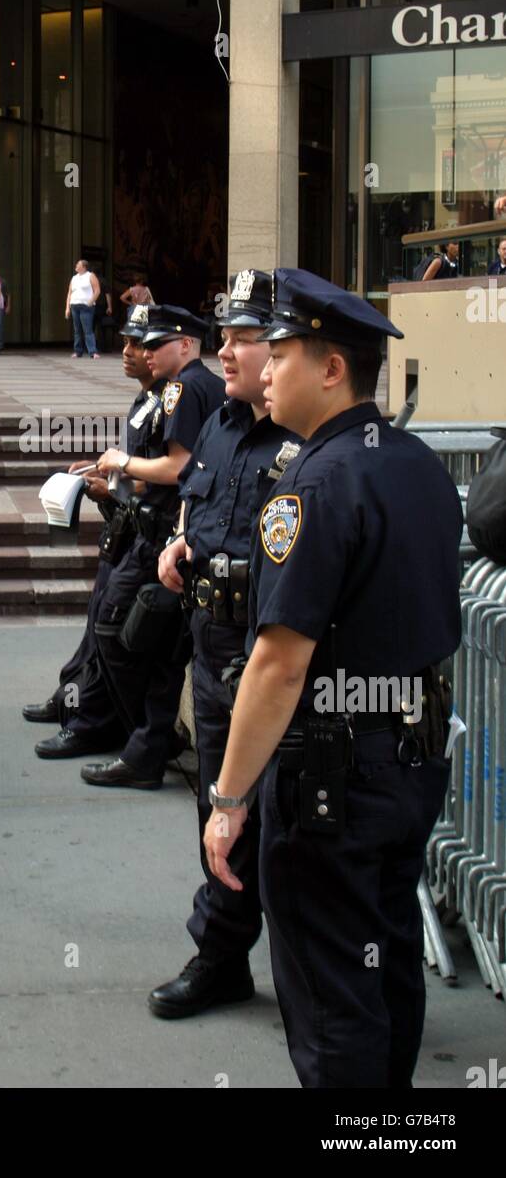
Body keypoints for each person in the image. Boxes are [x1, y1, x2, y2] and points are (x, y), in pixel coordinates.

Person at [202, 267, 462, 1089]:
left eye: (279, 351)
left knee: (330, 996)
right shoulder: (417, 463)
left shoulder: (312, 485)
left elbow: (279, 665)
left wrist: (230, 799)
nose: (262, 367)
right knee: (388, 969)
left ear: (332, 368)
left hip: (329, 785)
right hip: (410, 762)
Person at [149, 271, 302, 1019]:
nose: (230, 352)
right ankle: (222, 958)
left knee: (288, 825)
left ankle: (312, 981)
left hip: (276, 664)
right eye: (228, 337)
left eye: (248, 338)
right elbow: (193, 497)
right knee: (220, 812)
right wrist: (178, 543)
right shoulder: (221, 421)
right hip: (211, 653)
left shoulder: (304, 435)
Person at [81, 306, 226, 789]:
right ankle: (148, 744)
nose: (144, 352)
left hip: (161, 537)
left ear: (185, 345)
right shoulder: (190, 388)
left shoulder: (185, 388)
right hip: (169, 531)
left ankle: (148, 738)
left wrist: (121, 463)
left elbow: (178, 468)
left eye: (154, 344)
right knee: (157, 650)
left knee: (118, 632)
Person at [28, 306, 168, 759]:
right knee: (96, 621)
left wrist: (116, 477)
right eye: (126, 342)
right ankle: (74, 697)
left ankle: (97, 722)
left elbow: (168, 474)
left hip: (152, 536)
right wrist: (102, 486)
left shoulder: (176, 398)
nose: (127, 352)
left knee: (112, 627)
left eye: (138, 345)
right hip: (127, 527)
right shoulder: (146, 399)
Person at [65, 259, 101, 359]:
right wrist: (67, 307)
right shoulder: (74, 278)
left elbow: (97, 290)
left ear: (84, 267)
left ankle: (93, 352)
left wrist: (91, 301)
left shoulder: (90, 275)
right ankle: (78, 351)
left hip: (86, 307)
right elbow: (69, 293)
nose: (76, 266)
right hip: (74, 305)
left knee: (87, 330)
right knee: (77, 330)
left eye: (78, 264)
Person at [0, 275, 11, 351]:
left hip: (1, 306)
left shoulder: (3, 281)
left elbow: (8, 294)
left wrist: (8, 306)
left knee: (0, 324)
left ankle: (0, 344)